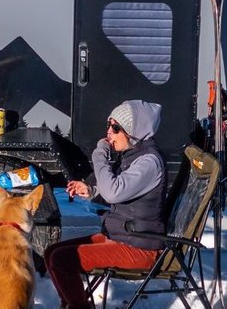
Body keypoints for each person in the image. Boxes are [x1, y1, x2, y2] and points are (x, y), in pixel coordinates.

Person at [44, 100, 165, 309]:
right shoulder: (132, 156)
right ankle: (73, 304)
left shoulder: (148, 162)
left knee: (62, 260)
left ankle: (78, 306)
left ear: (134, 131)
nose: (109, 132)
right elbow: (117, 190)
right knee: (52, 252)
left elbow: (113, 192)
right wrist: (90, 191)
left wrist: (99, 154)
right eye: (109, 125)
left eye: (116, 127)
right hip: (124, 237)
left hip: (140, 248)